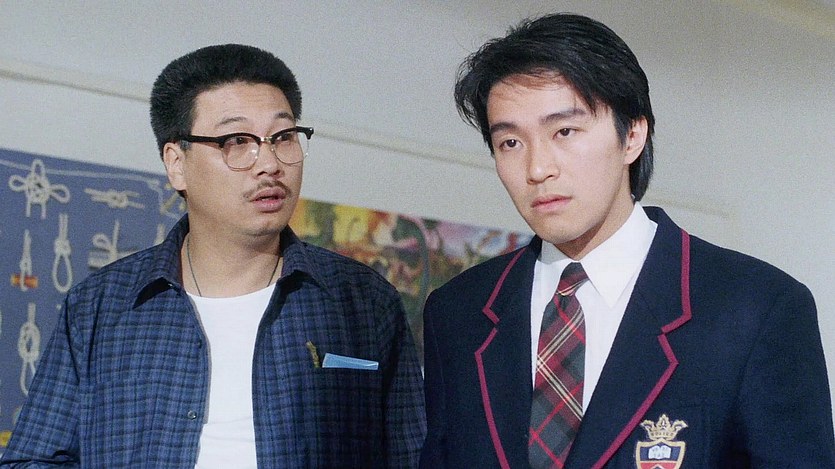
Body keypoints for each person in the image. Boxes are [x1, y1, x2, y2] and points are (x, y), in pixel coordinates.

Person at [420, 13, 835, 468]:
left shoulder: (755, 308)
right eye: (510, 143)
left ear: (633, 135)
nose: (537, 169)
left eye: (564, 132)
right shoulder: (458, 314)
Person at [1, 44, 425, 468]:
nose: (269, 164)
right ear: (176, 164)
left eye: (283, 137)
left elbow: (414, 457)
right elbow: (32, 460)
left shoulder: (363, 302)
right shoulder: (100, 306)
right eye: (236, 141)